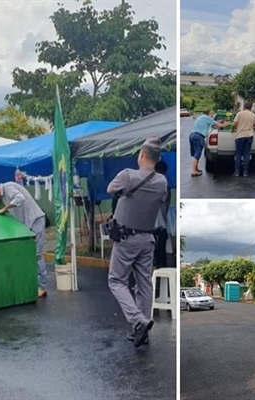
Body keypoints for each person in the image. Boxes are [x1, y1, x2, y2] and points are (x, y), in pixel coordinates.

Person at [107, 137, 167, 348]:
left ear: (141, 155)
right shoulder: (162, 181)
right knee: (144, 285)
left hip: (126, 239)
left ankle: (138, 321)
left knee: (116, 281)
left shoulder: (127, 175)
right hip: (148, 239)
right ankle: (141, 331)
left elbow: (110, 189)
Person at [0, 180, 48, 298]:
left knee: (37, 255)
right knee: (28, 255)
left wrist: (5, 208)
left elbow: (20, 198)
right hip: (27, 225)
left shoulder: (9, 187)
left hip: (35, 220)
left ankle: (42, 287)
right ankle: (33, 284)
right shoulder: (3, 196)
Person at [189, 109, 229, 177]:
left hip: (192, 135)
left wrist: (217, 122)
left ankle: (196, 169)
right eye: (211, 113)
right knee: (197, 154)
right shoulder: (207, 117)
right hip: (199, 137)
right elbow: (218, 125)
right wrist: (226, 124)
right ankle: (193, 171)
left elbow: (213, 124)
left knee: (196, 153)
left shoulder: (201, 117)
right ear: (209, 113)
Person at [231, 102, 255, 177]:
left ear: (244, 107)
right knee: (247, 154)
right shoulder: (253, 115)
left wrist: (233, 129)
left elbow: (234, 124)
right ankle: (245, 172)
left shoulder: (240, 114)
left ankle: (237, 172)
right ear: (250, 108)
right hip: (249, 136)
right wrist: (251, 128)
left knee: (238, 154)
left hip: (240, 136)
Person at [153, 160, 171, 268]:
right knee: (158, 255)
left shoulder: (163, 186)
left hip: (159, 227)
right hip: (158, 226)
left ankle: (159, 278)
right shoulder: (165, 186)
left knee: (159, 255)